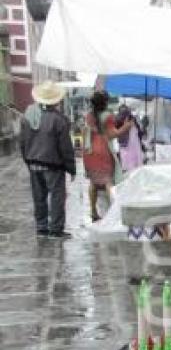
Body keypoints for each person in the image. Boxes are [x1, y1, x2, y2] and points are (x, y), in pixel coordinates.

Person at [19, 81, 76, 238]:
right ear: (56, 100)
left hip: (33, 164)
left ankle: (41, 226)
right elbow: (65, 147)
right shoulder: (59, 120)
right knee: (57, 197)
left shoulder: (27, 116)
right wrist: (71, 168)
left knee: (39, 197)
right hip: (53, 166)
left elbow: (22, 142)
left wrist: (28, 160)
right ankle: (56, 229)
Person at [84, 90, 133, 221]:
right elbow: (112, 134)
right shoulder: (108, 116)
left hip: (90, 151)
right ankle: (114, 213)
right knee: (108, 182)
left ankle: (93, 211)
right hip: (103, 150)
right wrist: (126, 127)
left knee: (93, 182)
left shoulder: (89, 115)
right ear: (105, 102)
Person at [115, 104, 146, 173]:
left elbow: (139, 132)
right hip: (128, 143)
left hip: (128, 143)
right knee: (131, 157)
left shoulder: (130, 120)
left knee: (129, 158)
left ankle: (130, 170)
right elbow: (140, 132)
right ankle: (131, 170)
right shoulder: (129, 120)